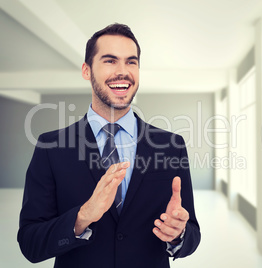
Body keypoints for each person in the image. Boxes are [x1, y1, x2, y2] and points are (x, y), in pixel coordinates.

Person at [17, 23, 201, 268]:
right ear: (86, 70)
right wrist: (82, 217)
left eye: (131, 62)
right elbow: (30, 243)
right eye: (110, 61)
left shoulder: (171, 145)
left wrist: (178, 234)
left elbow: (192, 236)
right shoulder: (51, 147)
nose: (122, 72)